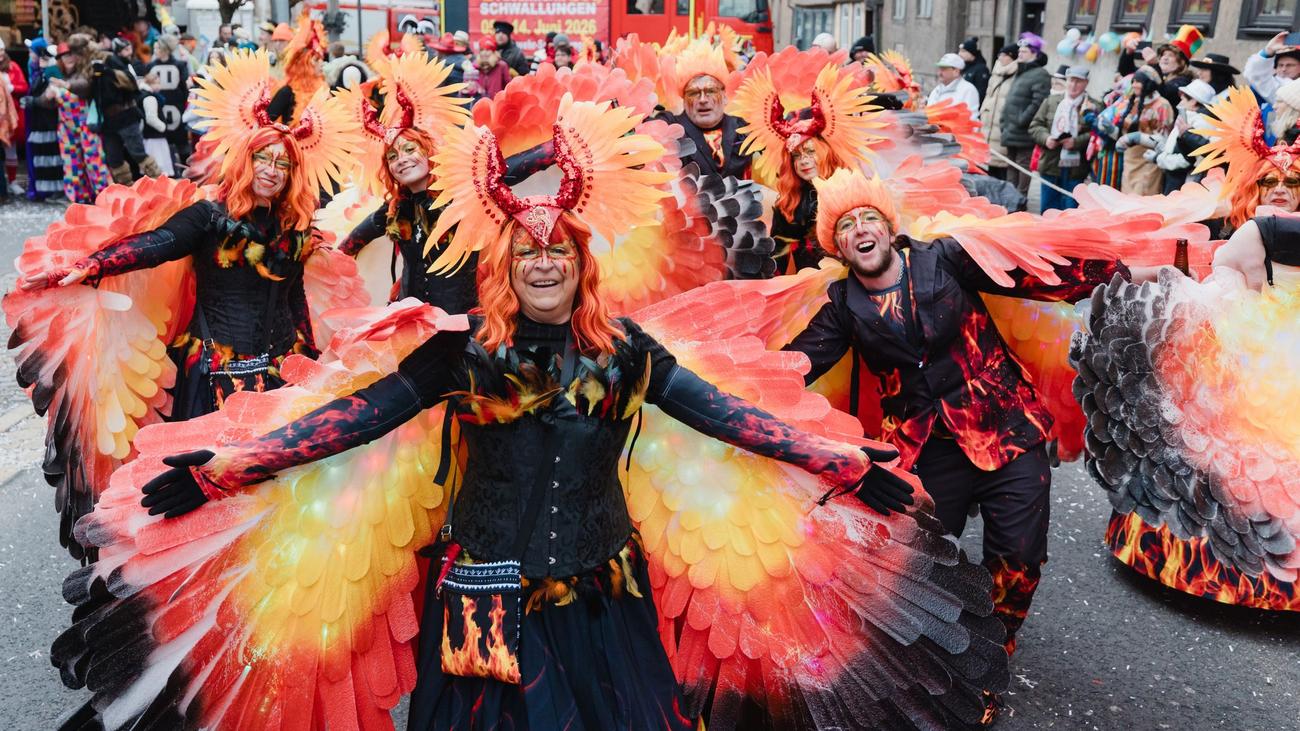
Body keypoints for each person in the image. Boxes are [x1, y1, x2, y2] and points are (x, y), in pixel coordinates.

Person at [57, 95, 1012, 731]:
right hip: (485, 596)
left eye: (561, 254)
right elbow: (353, 420)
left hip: (605, 599)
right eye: (528, 255)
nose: (546, 262)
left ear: (582, 267)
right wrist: (232, 465)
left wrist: (841, 462)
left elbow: (726, 415)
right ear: (505, 269)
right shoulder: (459, 356)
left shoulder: (623, 355)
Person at [781, 166, 1144, 657]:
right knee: (921, 562)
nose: (859, 229)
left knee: (1019, 557)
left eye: (868, 218)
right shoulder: (844, 305)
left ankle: (994, 648)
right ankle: (941, 645)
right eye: (845, 226)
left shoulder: (943, 259)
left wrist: (1123, 275)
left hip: (1007, 426)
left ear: (889, 229)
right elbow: (796, 364)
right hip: (925, 448)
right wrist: (734, 390)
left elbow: (1032, 276)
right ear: (837, 247)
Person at [337, 52, 476, 312]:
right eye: (392, 156)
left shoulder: (463, 196)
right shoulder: (396, 208)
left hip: (461, 326)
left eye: (411, 150)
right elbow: (350, 243)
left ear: (429, 151)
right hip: (410, 323)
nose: (402, 160)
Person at [729, 46, 880, 274]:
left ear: (825, 151)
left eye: (810, 152)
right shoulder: (790, 202)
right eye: (797, 156)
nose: (804, 161)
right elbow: (777, 254)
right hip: (810, 291)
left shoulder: (853, 191)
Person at [659, 41, 751, 179]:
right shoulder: (672, 126)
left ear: (725, 98)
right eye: (693, 93)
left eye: (711, 91)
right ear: (684, 100)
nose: (702, 99)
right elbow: (651, 132)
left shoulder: (742, 129)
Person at [92, 37, 164, 182]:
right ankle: (125, 190)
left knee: (138, 154)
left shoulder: (114, 61)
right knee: (114, 158)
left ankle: (161, 185)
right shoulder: (89, 67)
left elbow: (131, 83)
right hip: (108, 121)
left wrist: (108, 72)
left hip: (126, 116)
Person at [1029, 66, 1097, 212]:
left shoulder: (1093, 106)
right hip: (1050, 163)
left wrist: (1076, 142)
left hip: (1076, 168)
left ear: (1086, 83)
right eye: (1071, 80)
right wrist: (1046, 139)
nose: (1073, 85)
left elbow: (1096, 134)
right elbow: (1035, 125)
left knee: (1071, 209)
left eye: (1078, 82)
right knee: (1048, 209)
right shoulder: (1052, 101)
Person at [1110, 67, 1175, 196]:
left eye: (1138, 81)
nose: (1134, 85)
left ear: (1149, 83)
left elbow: (1163, 140)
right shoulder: (1134, 102)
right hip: (1129, 162)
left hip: (1148, 164)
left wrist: (1139, 138)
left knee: (1142, 202)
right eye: (1133, 81)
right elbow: (1124, 130)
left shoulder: (1162, 105)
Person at [1000, 33, 1051, 197]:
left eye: (1024, 52)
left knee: (1022, 165)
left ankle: (1020, 200)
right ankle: (1009, 198)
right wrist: (1004, 121)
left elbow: (1038, 103)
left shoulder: (1040, 74)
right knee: (1011, 165)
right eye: (1019, 51)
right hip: (1011, 128)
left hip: (1023, 131)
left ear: (1034, 53)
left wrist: (1022, 120)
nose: (1019, 54)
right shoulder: (1021, 72)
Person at [1153, 79, 1216, 191]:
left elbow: (1188, 159)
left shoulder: (1201, 122)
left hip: (1184, 180)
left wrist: (1159, 158)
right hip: (1175, 176)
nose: (1181, 99)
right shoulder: (1188, 117)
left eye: (1184, 96)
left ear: (1193, 101)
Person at [21, 38, 63, 200]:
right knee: (43, 156)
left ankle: (54, 189)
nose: (39, 60)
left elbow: (52, 100)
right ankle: (46, 189)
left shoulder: (51, 74)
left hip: (48, 122)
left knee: (50, 157)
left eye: (44, 58)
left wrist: (34, 101)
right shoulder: (39, 72)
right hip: (40, 121)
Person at [979, 43, 1018, 182]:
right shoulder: (995, 74)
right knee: (987, 166)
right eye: (999, 55)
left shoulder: (1017, 75)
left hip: (1001, 125)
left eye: (1004, 55)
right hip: (988, 124)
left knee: (1001, 167)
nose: (1000, 57)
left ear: (1012, 57)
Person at [0, 44, 29, 200]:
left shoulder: (13, 66)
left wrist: (11, 87)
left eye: (2, 50)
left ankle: (12, 180)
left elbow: (24, 86)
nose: (1, 54)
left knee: (11, 148)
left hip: (11, 115)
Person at [1244, 31, 1300, 104]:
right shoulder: (1283, 89)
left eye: (1289, 65)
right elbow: (1256, 76)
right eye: (1280, 65)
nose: (1283, 69)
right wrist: (1268, 51)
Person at [927, 52, 979, 121]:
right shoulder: (936, 90)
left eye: (943, 69)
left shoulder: (969, 90)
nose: (939, 73)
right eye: (939, 69)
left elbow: (971, 120)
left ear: (956, 71)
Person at [958, 37, 990, 102]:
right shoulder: (964, 66)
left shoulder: (981, 69)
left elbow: (981, 93)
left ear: (971, 53)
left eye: (963, 51)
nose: (960, 54)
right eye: (960, 51)